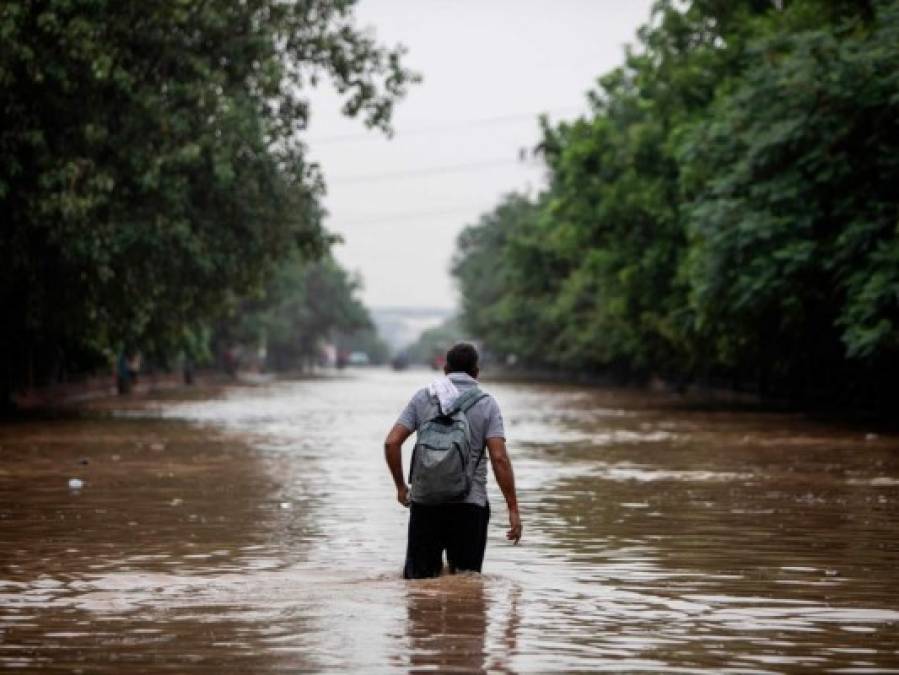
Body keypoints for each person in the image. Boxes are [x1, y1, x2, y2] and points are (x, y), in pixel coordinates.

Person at [384, 342, 522, 579]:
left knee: (420, 587)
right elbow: (499, 458)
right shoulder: (487, 404)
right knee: (466, 586)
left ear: (445, 369)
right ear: (476, 371)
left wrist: (400, 487)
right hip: (470, 505)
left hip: (425, 503)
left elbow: (391, 443)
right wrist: (513, 508)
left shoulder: (424, 398)